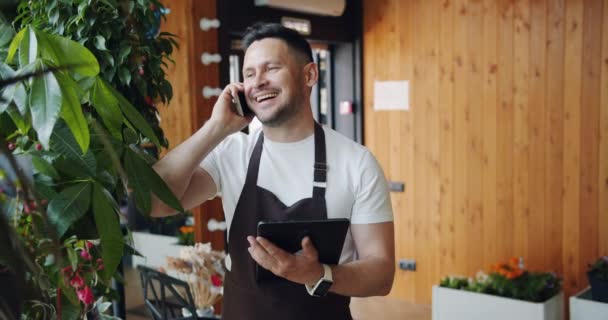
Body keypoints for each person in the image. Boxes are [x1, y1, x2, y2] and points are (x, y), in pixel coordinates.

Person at [151, 22, 395, 320]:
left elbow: (381, 273)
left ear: (309, 74)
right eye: (249, 74)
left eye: (271, 68)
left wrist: (319, 274)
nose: (258, 82)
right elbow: (154, 202)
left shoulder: (356, 163)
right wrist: (215, 129)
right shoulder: (232, 154)